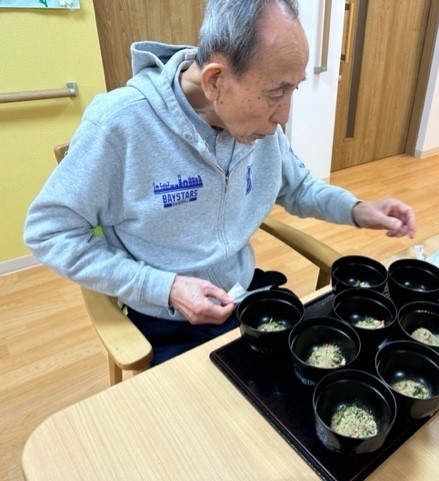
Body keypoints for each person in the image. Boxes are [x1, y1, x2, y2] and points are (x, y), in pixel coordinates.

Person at [24, 0, 416, 365]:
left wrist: (358, 209)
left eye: (293, 89)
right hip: (165, 317)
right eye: (276, 92)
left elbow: (298, 188)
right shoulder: (119, 126)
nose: (284, 115)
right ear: (215, 81)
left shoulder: (258, 126)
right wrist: (165, 287)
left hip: (243, 296)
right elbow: (49, 231)